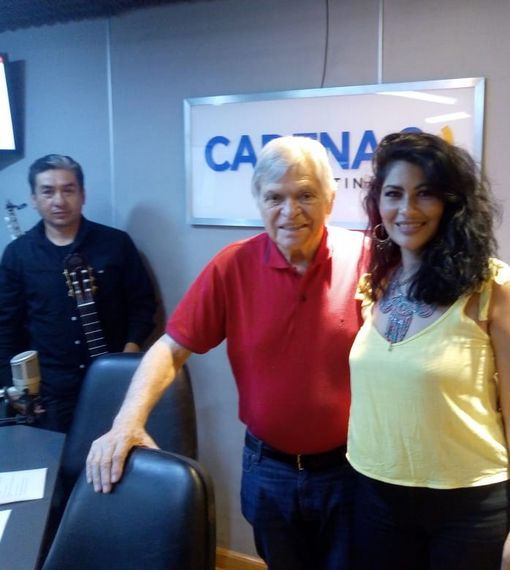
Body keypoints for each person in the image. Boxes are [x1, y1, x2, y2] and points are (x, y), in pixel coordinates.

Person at [86, 136, 366, 570]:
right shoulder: (232, 266)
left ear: (330, 200)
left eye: (305, 195)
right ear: (258, 201)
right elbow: (169, 349)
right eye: (275, 197)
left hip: (350, 467)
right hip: (269, 468)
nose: (290, 211)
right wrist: (127, 423)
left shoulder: (366, 257)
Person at [347, 132, 510, 570]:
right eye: (394, 194)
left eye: (425, 194)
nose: (407, 209)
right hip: (376, 494)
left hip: (468, 505)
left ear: (452, 204)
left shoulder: (494, 287)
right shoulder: (375, 284)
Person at [0, 154, 156, 432]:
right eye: (48, 191)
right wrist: (13, 388)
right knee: (53, 459)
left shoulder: (116, 244)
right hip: (49, 393)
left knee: (116, 457)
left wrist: (124, 361)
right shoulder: (18, 254)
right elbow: (6, 326)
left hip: (113, 385)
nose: (59, 201)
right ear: (34, 199)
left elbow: (142, 306)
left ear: (82, 195)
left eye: (68, 190)